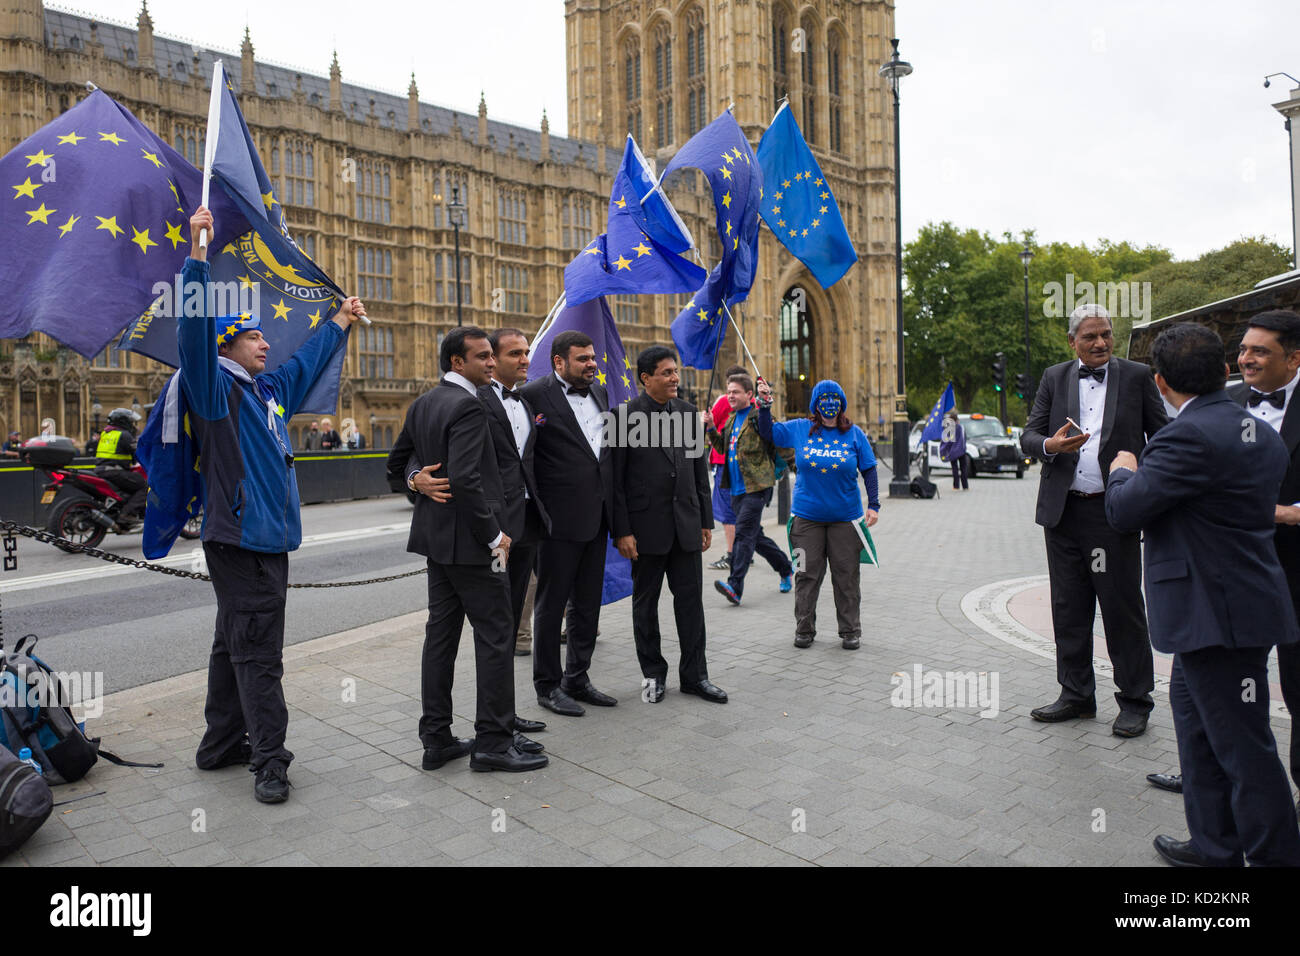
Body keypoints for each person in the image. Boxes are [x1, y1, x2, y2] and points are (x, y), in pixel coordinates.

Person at [181, 205, 363, 804]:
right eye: (254, 336)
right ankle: (270, 761)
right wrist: (199, 256)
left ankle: (219, 743)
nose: (266, 341)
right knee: (260, 654)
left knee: (230, 641)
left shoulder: (265, 392)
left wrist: (338, 321)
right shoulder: (213, 391)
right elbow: (193, 341)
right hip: (241, 540)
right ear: (227, 346)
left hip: (267, 540)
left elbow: (304, 362)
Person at [1106, 322, 1300, 867]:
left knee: (1244, 749)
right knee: (1197, 734)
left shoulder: (1185, 437)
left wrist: (1124, 471)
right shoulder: (1257, 431)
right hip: (1220, 612)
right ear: (1224, 369)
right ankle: (1214, 846)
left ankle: (1273, 856)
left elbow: (1124, 512)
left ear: (1161, 382)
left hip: (1219, 616)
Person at [1149, 308, 1300, 801]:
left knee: (1289, 694)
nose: (1248, 358)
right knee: (1199, 702)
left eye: (1261, 350)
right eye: (1243, 349)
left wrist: (1290, 514)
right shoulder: (1227, 402)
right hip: (1218, 584)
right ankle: (1208, 816)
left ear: (1294, 358)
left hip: (1287, 569)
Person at [388, 326, 547, 773]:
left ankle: (436, 738)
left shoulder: (424, 403)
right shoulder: (470, 406)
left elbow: (397, 466)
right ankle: (493, 742)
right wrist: (493, 535)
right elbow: (465, 479)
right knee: (496, 636)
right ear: (457, 363)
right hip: (475, 546)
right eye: (482, 357)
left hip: (437, 544)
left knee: (440, 638)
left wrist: (414, 481)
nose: (491, 363)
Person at [1020, 303, 1167, 737]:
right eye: (1090, 336)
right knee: (1068, 607)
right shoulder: (1054, 377)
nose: (1101, 342)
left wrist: (1142, 475)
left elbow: (1161, 439)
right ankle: (1077, 695)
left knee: (1121, 607)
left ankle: (1136, 700)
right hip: (1064, 512)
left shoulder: (1138, 377)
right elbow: (1029, 436)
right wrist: (1049, 444)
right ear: (1072, 342)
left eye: (1106, 334)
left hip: (1112, 512)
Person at [613, 345, 726, 703]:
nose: (675, 378)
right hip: (645, 533)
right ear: (645, 378)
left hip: (686, 526)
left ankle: (695, 676)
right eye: (666, 372)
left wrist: (705, 520)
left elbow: (697, 472)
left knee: (691, 604)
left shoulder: (689, 413)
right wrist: (622, 531)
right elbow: (614, 484)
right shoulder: (623, 418)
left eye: (675, 371)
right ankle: (652, 676)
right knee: (645, 607)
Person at [519, 329, 618, 718]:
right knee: (550, 605)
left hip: (596, 520)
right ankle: (547, 685)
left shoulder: (600, 394)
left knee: (587, 605)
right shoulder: (533, 395)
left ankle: (578, 677)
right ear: (559, 362)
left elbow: (602, 457)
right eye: (584, 359)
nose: (592, 364)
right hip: (556, 524)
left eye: (593, 358)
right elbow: (526, 459)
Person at [756, 379, 879, 649]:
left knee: (846, 576)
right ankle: (804, 628)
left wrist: (874, 505)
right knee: (805, 574)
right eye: (823, 398)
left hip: (846, 519)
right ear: (815, 404)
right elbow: (769, 433)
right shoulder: (800, 429)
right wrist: (764, 406)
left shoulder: (855, 434)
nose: (829, 403)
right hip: (806, 519)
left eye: (835, 398)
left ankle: (850, 631)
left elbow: (869, 469)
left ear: (842, 403)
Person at [479, 327, 550, 732]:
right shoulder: (475, 400)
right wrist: (417, 477)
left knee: (509, 619)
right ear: (492, 358)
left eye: (526, 353)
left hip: (525, 526)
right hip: (495, 533)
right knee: (496, 624)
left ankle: (505, 714)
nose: (525, 360)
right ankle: (494, 723)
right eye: (515, 354)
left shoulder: (524, 401)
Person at [703, 372, 794, 606]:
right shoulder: (732, 419)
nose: (730, 396)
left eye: (735, 392)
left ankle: (735, 586)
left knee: (743, 532)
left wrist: (764, 404)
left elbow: (773, 437)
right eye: (728, 391)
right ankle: (785, 568)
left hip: (757, 487)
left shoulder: (758, 417)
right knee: (756, 537)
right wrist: (711, 426)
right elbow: (721, 448)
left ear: (749, 394)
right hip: (736, 489)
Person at [707, 364, 746, 571]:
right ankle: (744, 551)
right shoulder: (750, 403)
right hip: (741, 463)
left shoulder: (723, 401)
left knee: (727, 511)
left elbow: (710, 424)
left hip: (724, 462)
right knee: (741, 508)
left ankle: (732, 554)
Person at [93, 407, 146, 522]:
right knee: (144, 486)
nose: (133, 425)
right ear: (124, 421)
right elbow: (139, 454)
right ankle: (127, 514)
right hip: (115, 471)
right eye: (131, 422)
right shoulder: (124, 435)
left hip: (100, 470)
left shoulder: (105, 434)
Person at [939, 409, 968, 491]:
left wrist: (944, 450)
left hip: (953, 451)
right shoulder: (961, 427)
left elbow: (947, 441)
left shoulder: (950, 428)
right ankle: (965, 486)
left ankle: (956, 486)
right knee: (963, 469)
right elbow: (964, 438)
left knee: (955, 469)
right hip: (962, 451)